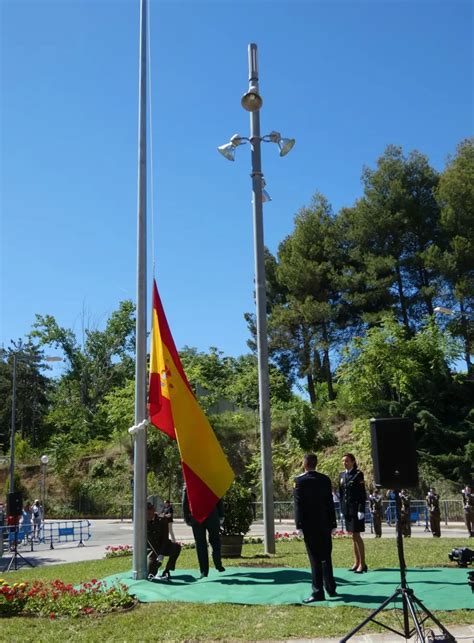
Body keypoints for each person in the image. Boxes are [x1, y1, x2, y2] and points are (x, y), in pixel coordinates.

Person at [293, 453, 338, 603]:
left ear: (305, 464)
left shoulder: (300, 481)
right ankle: (331, 587)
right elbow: (329, 503)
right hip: (324, 523)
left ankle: (318, 591)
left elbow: (298, 505)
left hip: (309, 525)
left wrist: (299, 525)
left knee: (315, 559)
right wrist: (333, 523)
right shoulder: (325, 479)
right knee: (326, 556)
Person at [182, 487, 225, 578]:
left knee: (200, 543)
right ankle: (217, 563)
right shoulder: (210, 482)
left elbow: (185, 503)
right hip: (212, 515)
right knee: (215, 540)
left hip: (196, 517)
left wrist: (187, 518)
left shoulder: (189, 484)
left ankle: (204, 571)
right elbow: (218, 498)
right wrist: (221, 514)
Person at [339, 453, 367, 573]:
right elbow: (341, 494)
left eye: (347, 461)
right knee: (353, 536)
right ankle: (356, 562)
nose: (345, 463)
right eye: (343, 461)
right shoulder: (342, 475)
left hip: (356, 509)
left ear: (353, 462)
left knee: (357, 536)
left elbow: (362, 494)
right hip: (347, 509)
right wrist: (342, 509)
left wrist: (361, 509)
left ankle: (363, 563)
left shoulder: (358, 474)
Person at [147, 501, 181, 580]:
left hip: (163, 546)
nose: (148, 512)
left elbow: (165, 538)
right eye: (146, 510)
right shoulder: (142, 522)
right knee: (150, 573)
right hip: (151, 549)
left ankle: (167, 570)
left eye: (150, 509)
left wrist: (161, 554)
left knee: (176, 547)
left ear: (153, 509)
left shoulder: (162, 520)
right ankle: (153, 570)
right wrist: (155, 555)